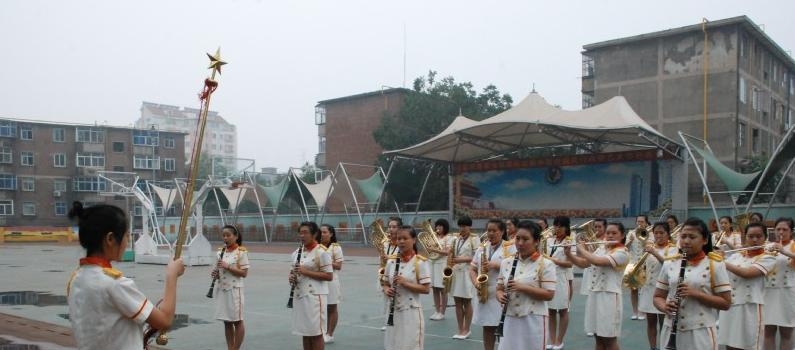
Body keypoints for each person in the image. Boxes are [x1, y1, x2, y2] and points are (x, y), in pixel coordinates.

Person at [66, 202, 185, 350]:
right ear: (110, 239)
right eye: (126, 236)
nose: (127, 242)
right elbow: (165, 320)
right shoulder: (114, 283)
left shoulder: (75, 279)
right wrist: (172, 275)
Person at [653, 218, 732, 350]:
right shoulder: (669, 263)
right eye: (683, 236)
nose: (686, 241)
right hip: (671, 329)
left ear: (705, 240)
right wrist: (665, 306)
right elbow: (657, 297)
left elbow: (726, 303)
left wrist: (695, 294)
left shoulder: (715, 264)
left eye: (692, 237)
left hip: (700, 333)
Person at [567, 222, 629, 350]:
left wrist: (582, 249)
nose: (610, 236)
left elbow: (598, 261)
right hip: (594, 295)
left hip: (609, 298)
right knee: (598, 338)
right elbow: (584, 263)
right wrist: (569, 255)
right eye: (608, 233)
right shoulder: (602, 248)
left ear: (622, 235)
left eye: (614, 233)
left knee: (609, 340)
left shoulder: (622, 252)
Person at [496, 220, 556, 350]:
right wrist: (500, 296)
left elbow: (549, 295)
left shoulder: (546, 264)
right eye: (517, 238)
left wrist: (522, 287)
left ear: (536, 241)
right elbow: (499, 288)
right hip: (509, 318)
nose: (520, 243)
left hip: (533, 319)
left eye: (525, 239)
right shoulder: (506, 262)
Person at [719, 222, 777, 350]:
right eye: (751, 236)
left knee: (749, 346)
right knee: (730, 345)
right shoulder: (735, 256)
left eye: (759, 236)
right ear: (745, 238)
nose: (755, 240)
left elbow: (747, 273)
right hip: (730, 306)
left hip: (750, 307)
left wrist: (722, 262)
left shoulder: (768, 258)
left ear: (765, 238)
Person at [382, 225, 431, 350]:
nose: (401, 242)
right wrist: (387, 290)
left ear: (414, 240)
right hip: (393, 311)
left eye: (405, 238)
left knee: (410, 345)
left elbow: (426, 289)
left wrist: (405, 283)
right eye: (399, 239)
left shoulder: (420, 262)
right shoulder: (391, 261)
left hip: (411, 311)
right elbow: (385, 283)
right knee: (392, 345)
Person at [470, 218, 515, 350]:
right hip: (483, 292)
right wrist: (475, 282)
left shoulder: (510, 246)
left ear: (502, 231)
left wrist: (496, 264)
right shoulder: (482, 247)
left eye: (494, 230)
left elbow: (515, 266)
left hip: (501, 293)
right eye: (488, 230)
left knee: (503, 329)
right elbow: (472, 268)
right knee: (487, 327)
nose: (490, 233)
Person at [289, 222, 333, 350]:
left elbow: (329, 276)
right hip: (300, 295)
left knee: (316, 333)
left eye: (305, 232)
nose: (302, 235)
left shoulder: (322, 252)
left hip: (315, 297)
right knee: (305, 332)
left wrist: (305, 271)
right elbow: (294, 271)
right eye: (300, 232)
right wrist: (292, 278)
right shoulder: (296, 252)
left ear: (314, 234)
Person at [638, 222, 677, 350]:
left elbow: (670, 265)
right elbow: (644, 267)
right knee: (650, 322)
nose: (658, 235)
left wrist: (654, 253)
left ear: (668, 234)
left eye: (662, 233)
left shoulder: (673, 249)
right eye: (656, 233)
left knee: (663, 322)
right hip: (648, 288)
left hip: (663, 291)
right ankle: (653, 347)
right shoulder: (649, 247)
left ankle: (664, 346)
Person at [211, 225, 249, 350]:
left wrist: (228, 267)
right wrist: (215, 274)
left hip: (234, 290)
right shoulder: (220, 252)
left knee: (237, 321)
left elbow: (244, 273)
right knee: (226, 321)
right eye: (224, 235)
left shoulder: (241, 252)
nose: (225, 238)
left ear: (236, 237)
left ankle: (235, 348)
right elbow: (219, 271)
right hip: (222, 289)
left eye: (228, 235)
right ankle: (230, 347)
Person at [763, 217, 795, 350]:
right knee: (768, 331)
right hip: (768, 292)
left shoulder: (793, 245)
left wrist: (784, 251)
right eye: (778, 229)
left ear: (791, 231)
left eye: (785, 229)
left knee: (786, 332)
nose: (781, 232)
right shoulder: (768, 246)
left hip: (787, 292)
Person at [545, 216, 574, 350]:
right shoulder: (549, 239)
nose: (557, 229)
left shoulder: (570, 241)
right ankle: (552, 339)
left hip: (562, 278)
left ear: (566, 227)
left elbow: (569, 263)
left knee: (562, 311)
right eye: (555, 226)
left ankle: (559, 340)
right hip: (548, 277)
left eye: (560, 226)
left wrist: (553, 261)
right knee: (550, 311)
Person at [450, 216, 480, 339]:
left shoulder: (475, 239)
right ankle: (460, 329)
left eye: (464, 226)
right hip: (456, 272)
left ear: (469, 227)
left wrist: (459, 259)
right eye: (460, 226)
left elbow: (477, 257)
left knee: (467, 301)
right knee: (457, 302)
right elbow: (452, 254)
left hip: (468, 272)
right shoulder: (456, 239)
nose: (462, 228)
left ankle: (467, 329)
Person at [579, 218, 607, 337]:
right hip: (590, 270)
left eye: (599, 227)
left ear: (605, 228)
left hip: (602, 272)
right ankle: (591, 325)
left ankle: (601, 325)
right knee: (590, 299)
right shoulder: (590, 239)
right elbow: (582, 256)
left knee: (601, 300)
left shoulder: (607, 241)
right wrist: (583, 245)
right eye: (595, 227)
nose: (597, 229)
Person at [320, 224, 343, 344]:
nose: (322, 234)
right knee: (321, 307)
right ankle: (323, 331)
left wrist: (326, 260)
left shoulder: (336, 247)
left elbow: (339, 266)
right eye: (321, 232)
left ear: (331, 234)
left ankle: (330, 334)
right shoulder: (316, 247)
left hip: (332, 281)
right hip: (319, 279)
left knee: (332, 307)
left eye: (324, 232)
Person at [626, 214, 650, 320]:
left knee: (644, 289)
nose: (640, 223)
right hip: (633, 263)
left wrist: (644, 239)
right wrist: (630, 240)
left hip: (646, 264)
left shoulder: (650, 233)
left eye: (642, 222)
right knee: (634, 289)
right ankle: (635, 311)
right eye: (638, 221)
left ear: (646, 223)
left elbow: (651, 247)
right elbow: (625, 248)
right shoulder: (631, 233)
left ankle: (642, 311)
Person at [428, 218, 453, 321]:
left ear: (445, 227)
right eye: (437, 226)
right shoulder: (433, 237)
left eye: (440, 226)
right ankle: (437, 311)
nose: (438, 228)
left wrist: (433, 249)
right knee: (434, 288)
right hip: (433, 264)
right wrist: (431, 248)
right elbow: (428, 249)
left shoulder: (449, 238)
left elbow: (447, 252)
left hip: (442, 265)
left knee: (443, 289)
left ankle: (442, 312)